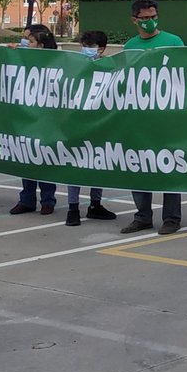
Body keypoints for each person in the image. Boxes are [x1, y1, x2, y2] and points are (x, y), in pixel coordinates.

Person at [120, 0, 185, 235]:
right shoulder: (130, 46)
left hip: (166, 117)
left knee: (169, 166)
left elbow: (185, 74)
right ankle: (142, 216)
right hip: (138, 118)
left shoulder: (173, 42)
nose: (150, 21)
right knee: (138, 166)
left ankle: (171, 218)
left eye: (153, 16)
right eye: (145, 18)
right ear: (134, 20)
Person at [65, 30, 118, 227]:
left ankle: (95, 204)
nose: (85, 50)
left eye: (90, 46)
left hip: (99, 122)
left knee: (98, 162)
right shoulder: (74, 64)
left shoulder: (110, 66)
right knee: (74, 165)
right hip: (76, 121)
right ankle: (73, 208)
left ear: (101, 49)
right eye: (83, 46)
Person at [9, 24, 60, 216]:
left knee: (44, 157)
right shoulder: (23, 58)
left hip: (48, 118)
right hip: (26, 115)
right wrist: (13, 53)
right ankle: (27, 199)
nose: (25, 43)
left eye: (29, 40)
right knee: (25, 156)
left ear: (41, 44)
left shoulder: (57, 61)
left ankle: (48, 200)